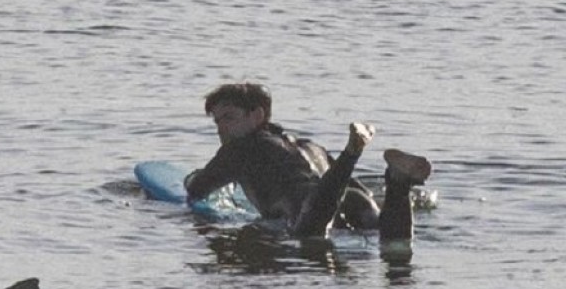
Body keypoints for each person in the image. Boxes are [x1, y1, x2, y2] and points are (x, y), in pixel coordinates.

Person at [183, 82, 432, 247]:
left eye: (228, 117)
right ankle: (398, 183)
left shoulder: (239, 148)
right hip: (353, 197)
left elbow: (198, 188)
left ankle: (352, 153)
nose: (221, 128)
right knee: (393, 242)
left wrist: (191, 178)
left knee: (309, 233)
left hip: (310, 208)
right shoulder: (309, 146)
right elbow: (357, 188)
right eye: (217, 121)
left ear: (257, 115)